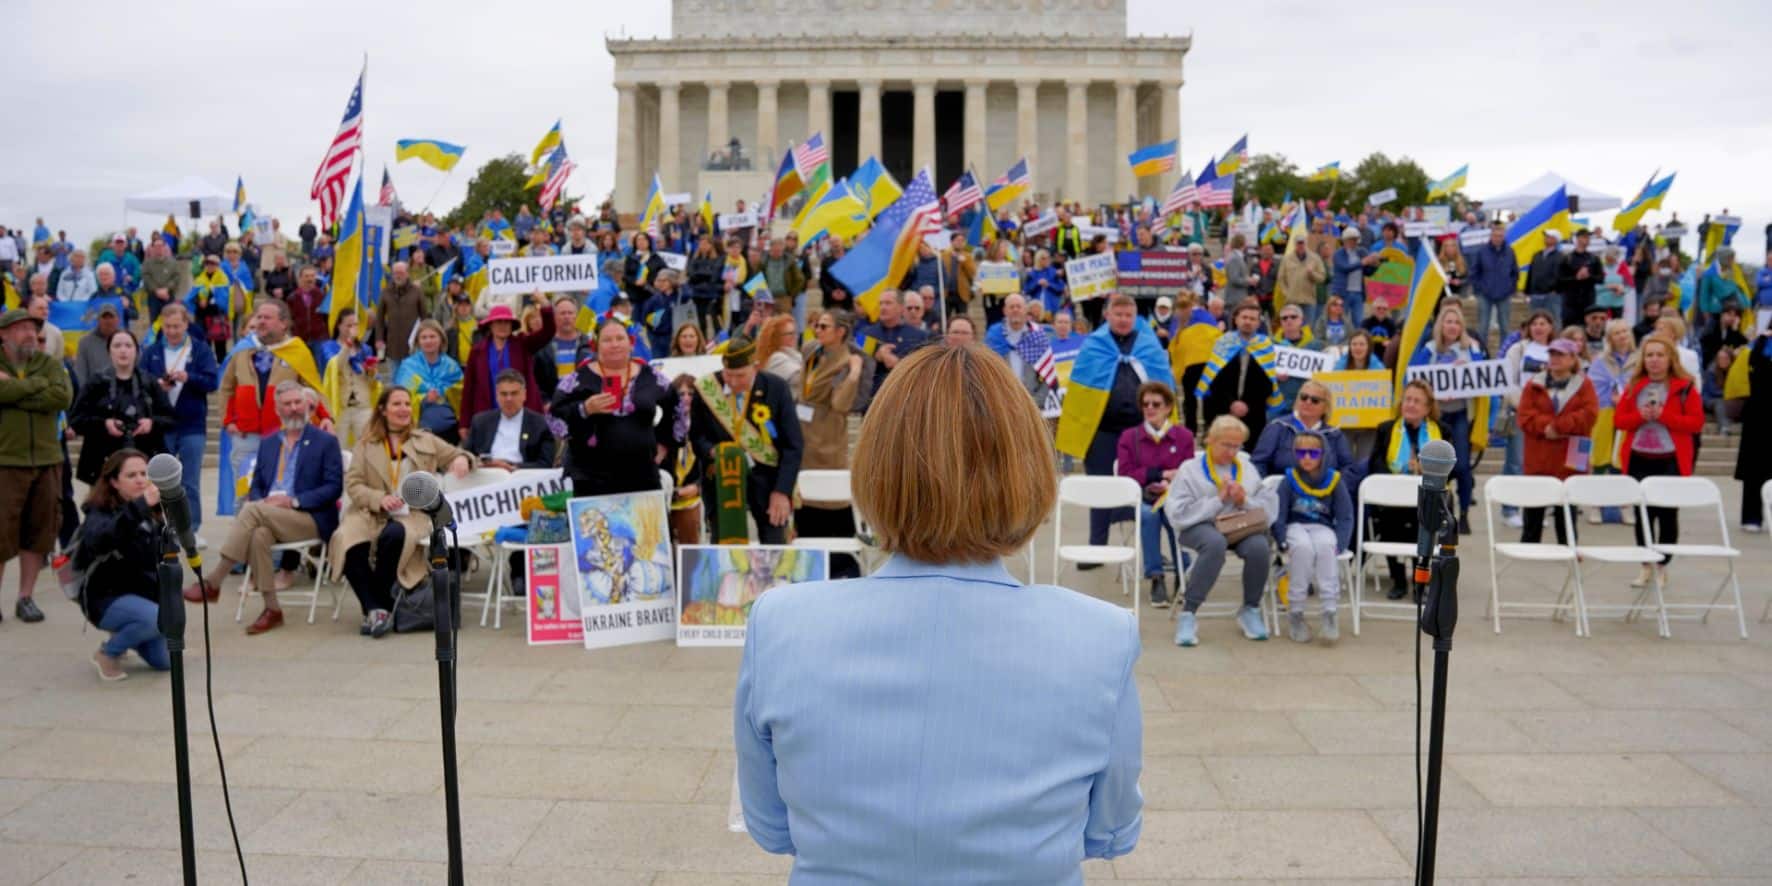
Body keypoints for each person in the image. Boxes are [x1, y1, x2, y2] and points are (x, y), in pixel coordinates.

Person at [736, 341, 1141, 881]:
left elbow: (772, 826)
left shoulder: (780, 623)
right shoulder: (1101, 635)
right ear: (1029, 471)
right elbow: (1109, 833)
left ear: (876, 467)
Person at [185, 382, 344, 634]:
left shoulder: (325, 441)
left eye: (298, 402)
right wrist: (264, 500)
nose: (294, 408)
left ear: (306, 406)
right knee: (258, 533)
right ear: (278, 409)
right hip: (269, 515)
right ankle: (272, 609)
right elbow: (257, 485)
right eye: (287, 404)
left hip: (309, 517)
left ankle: (214, 580)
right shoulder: (269, 443)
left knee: (251, 510)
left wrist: (292, 501)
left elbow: (333, 487)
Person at [326, 388, 473, 636]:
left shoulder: (425, 440)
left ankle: (377, 608)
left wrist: (462, 460)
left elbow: (459, 453)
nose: (404, 408)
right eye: (397, 404)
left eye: (407, 403)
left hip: (412, 514)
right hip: (369, 511)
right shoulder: (366, 443)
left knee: (394, 535)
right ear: (383, 410)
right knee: (347, 540)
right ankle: (375, 608)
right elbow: (354, 484)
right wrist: (379, 499)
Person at [1166, 415, 1278, 646]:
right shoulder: (1190, 469)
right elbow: (1178, 513)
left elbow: (1266, 509)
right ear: (1210, 441)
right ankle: (1188, 612)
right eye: (1226, 445)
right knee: (1214, 544)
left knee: (1259, 546)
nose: (1231, 451)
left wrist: (1243, 499)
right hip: (1198, 525)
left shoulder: (1245, 467)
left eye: (1236, 446)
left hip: (1239, 525)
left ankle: (1250, 609)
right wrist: (1218, 500)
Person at [688, 337, 803, 544]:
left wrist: (782, 491)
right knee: (724, 551)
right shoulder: (706, 388)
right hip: (722, 481)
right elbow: (696, 437)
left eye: (740, 376)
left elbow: (793, 446)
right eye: (728, 375)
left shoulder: (776, 389)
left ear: (755, 368)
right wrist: (712, 451)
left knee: (774, 549)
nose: (732, 382)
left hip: (768, 482)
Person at [552, 318, 683, 496]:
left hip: (642, 475)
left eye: (620, 338)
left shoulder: (650, 376)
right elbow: (554, 417)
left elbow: (677, 408)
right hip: (591, 478)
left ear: (631, 343)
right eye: (607, 340)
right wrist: (584, 409)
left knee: (644, 524)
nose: (615, 345)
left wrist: (664, 443)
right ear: (595, 346)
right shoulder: (578, 379)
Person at [0, 308, 73, 623]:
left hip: (47, 461)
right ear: (3, 334)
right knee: (0, 534)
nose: (30, 334)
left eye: (33, 328)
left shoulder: (49, 364)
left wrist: (13, 392)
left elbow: (62, 397)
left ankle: (25, 598)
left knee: (38, 533)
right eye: (21, 328)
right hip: (5, 462)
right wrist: (37, 386)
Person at [1614, 335, 1704, 588]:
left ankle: (1663, 564)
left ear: (1670, 359)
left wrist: (1665, 416)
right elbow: (1619, 421)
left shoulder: (1685, 387)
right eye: (1650, 355)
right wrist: (1640, 417)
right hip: (1639, 458)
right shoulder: (1634, 386)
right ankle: (1645, 565)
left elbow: (1695, 423)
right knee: (1642, 514)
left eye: (1659, 355)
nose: (1654, 360)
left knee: (1667, 515)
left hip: (1670, 459)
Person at [76, 449, 172, 680]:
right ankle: (107, 653)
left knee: (165, 661)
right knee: (154, 619)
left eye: (144, 473)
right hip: (104, 598)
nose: (140, 480)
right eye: (131, 475)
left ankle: (133, 629)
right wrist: (139, 507)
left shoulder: (155, 513)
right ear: (114, 482)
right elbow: (101, 540)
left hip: (142, 596)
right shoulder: (99, 511)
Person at [794, 309, 867, 578]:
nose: (818, 330)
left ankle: (841, 569)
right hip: (803, 432)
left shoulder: (846, 362)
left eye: (824, 326)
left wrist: (853, 375)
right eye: (816, 325)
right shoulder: (813, 351)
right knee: (805, 506)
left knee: (829, 503)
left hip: (826, 438)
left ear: (841, 332)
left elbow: (840, 404)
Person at [139, 304, 219, 531]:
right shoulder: (151, 351)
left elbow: (212, 382)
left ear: (186, 325)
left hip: (192, 424)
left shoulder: (200, 350)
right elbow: (141, 381)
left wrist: (189, 377)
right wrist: (157, 384)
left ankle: (191, 528)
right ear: (161, 326)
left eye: (177, 326)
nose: (172, 331)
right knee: (160, 480)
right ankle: (160, 526)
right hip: (162, 425)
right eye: (168, 326)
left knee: (190, 480)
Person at [1367, 380, 1448, 598]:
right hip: (1392, 498)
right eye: (1407, 399)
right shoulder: (1386, 429)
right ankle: (1399, 580)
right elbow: (1375, 462)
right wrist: (1400, 473)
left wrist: (1427, 468)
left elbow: (1453, 467)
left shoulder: (1441, 431)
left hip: (1427, 499)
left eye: (1416, 401)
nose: (1410, 405)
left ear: (1428, 407)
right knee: (1389, 522)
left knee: (1424, 527)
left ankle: (1420, 580)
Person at [1116, 382, 1194, 609]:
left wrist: (1171, 480)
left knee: (1173, 513)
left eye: (1156, 404)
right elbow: (1125, 473)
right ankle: (1156, 577)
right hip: (1143, 496)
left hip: (1174, 496)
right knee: (1148, 515)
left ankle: (1182, 571)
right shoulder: (1129, 437)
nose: (1150, 408)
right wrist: (1158, 475)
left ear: (1168, 407)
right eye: (1145, 404)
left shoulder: (1184, 436)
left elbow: (1188, 472)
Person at [1272, 430, 1354, 644]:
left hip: (1322, 526)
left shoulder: (1334, 480)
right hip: (1295, 526)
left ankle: (1329, 611)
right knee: (1302, 549)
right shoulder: (1289, 480)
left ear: (1323, 454)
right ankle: (1296, 611)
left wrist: (1341, 542)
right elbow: (1278, 514)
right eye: (1301, 453)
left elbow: (1345, 516)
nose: (1306, 458)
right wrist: (1281, 539)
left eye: (1313, 453)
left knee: (1326, 547)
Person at [1517, 339, 1598, 544]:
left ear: (1573, 359)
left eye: (1560, 355)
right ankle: (1529, 546)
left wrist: (1558, 427)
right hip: (1540, 451)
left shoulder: (1584, 384)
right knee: (1534, 505)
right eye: (1552, 354)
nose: (1555, 359)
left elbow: (1589, 415)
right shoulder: (1534, 383)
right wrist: (1548, 427)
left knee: (1568, 507)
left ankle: (1569, 546)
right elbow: (1524, 417)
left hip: (1573, 451)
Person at [70, 328, 173, 486]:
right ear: (109, 351)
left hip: (144, 460)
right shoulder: (96, 383)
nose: (123, 350)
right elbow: (77, 420)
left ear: (136, 351)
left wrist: (151, 423)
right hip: (102, 462)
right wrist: (103, 424)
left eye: (128, 345)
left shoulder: (149, 383)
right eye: (117, 346)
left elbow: (170, 418)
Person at [1419, 304, 1484, 532]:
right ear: (1441, 325)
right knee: (1437, 466)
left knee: (1463, 466)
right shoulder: (1430, 349)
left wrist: (1467, 367)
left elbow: (1483, 374)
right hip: (1437, 414)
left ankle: (1464, 512)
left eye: (1457, 322)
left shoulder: (1471, 348)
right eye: (1449, 321)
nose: (1453, 326)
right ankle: (1441, 510)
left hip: (1460, 414)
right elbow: (1415, 372)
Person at [459, 295, 554, 438]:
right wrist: (464, 423)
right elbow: (469, 389)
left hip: (522, 416)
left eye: (506, 322)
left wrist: (545, 304)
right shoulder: (477, 351)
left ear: (512, 325)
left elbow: (548, 332)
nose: (502, 325)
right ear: (490, 325)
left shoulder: (523, 344)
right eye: (498, 322)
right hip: (488, 416)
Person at [1197, 299, 1282, 447]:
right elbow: (1215, 380)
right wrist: (1231, 404)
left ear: (1258, 323)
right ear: (1236, 319)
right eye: (1244, 317)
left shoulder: (1266, 346)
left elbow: (1267, 384)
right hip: (1222, 409)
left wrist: (1247, 404)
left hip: (1253, 412)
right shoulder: (1223, 342)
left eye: (1252, 318)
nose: (1248, 322)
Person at [466, 369, 559, 471]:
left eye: (514, 393)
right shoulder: (480, 422)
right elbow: (467, 456)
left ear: (524, 394)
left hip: (521, 477)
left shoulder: (540, 424)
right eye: (504, 394)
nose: (509, 399)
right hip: (487, 474)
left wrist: (512, 467)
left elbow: (545, 464)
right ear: (497, 395)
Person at [854, 290, 927, 410]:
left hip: (906, 402)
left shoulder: (918, 336)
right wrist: (877, 355)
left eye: (888, 303)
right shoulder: (865, 334)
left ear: (901, 307)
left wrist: (898, 363)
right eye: (881, 303)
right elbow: (858, 363)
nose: (883, 307)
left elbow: (922, 369)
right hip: (873, 402)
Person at [396, 320, 466, 443]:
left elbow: (463, 395)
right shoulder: (408, 366)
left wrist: (447, 393)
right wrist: (424, 398)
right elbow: (400, 397)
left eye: (432, 336)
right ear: (418, 341)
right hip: (418, 430)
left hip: (450, 430)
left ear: (441, 339)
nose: (428, 341)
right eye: (424, 337)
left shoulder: (451, 366)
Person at [985, 293, 1059, 403]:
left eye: (1018, 306)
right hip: (1003, 402)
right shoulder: (993, 336)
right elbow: (987, 374)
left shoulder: (1037, 335)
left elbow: (1048, 372)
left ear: (1025, 310)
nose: (1015, 310)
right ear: (1005, 311)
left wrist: (1037, 401)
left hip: (1033, 401)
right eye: (1011, 307)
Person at [1737, 327, 1772, 532]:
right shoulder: (1760, 345)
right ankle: (1751, 516)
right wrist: (1761, 342)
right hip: (1758, 415)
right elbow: (1752, 372)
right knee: (1754, 469)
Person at [1467, 222, 1519, 349]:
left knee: (1505, 327)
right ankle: (1481, 352)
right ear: (1491, 236)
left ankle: (1504, 352)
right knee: (1483, 327)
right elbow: (1474, 271)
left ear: (1504, 236)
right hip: (1485, 294)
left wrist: (1510, 288)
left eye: (1500, 236)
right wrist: (1479, 289)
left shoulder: (1510, 251)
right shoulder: (1482, 251)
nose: (1498, 238)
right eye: (1495, 236)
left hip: (1504, 294)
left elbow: (1515, 272)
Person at [1556, 229, 1603, 329]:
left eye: (1588, 238)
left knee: (1587, 329)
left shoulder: (1594, 259)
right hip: (1571, 303)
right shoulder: (1567, 258)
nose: (1587, 240)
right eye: (1584, 237)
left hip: (1588, 302)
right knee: (1569, 330)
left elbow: (1600, 278)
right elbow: (1560, 280)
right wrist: (1576, 278)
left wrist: (1589, 276)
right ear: (1578, 239)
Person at [1276, 235, 1328, 324]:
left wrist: (1312, 274)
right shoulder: (1287, 259)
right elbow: (1281, 278)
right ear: (1294, 244)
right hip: (1292, 300)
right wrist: (1287, 293)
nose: (1300, 245)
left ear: (1306, 244)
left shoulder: (1315, 258)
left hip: (1309, 300)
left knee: (1308, 328)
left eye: (1302, 243)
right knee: (1292, 326)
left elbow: (1322, 277)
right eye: (1298, 243)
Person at [1330, 228, 1368, 326]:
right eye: (1351, 239)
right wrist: (1362, 262)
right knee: (1341, 319)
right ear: (1345, 240)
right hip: (1343, 293)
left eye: (1355, 239)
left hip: (1358, 293)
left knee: (1359, 321)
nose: (1354, 242)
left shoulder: (1360, 252)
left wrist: (1375, 264)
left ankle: (1358, 340)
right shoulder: (1338, 254)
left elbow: (1367, 272)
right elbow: (1345, 267)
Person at [757, 314, 803, 393]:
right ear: (776, 337)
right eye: (790, 334)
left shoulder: (793, 355)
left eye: (795, 333)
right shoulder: (776, 358)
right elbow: (801, 378)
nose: (795, 337)